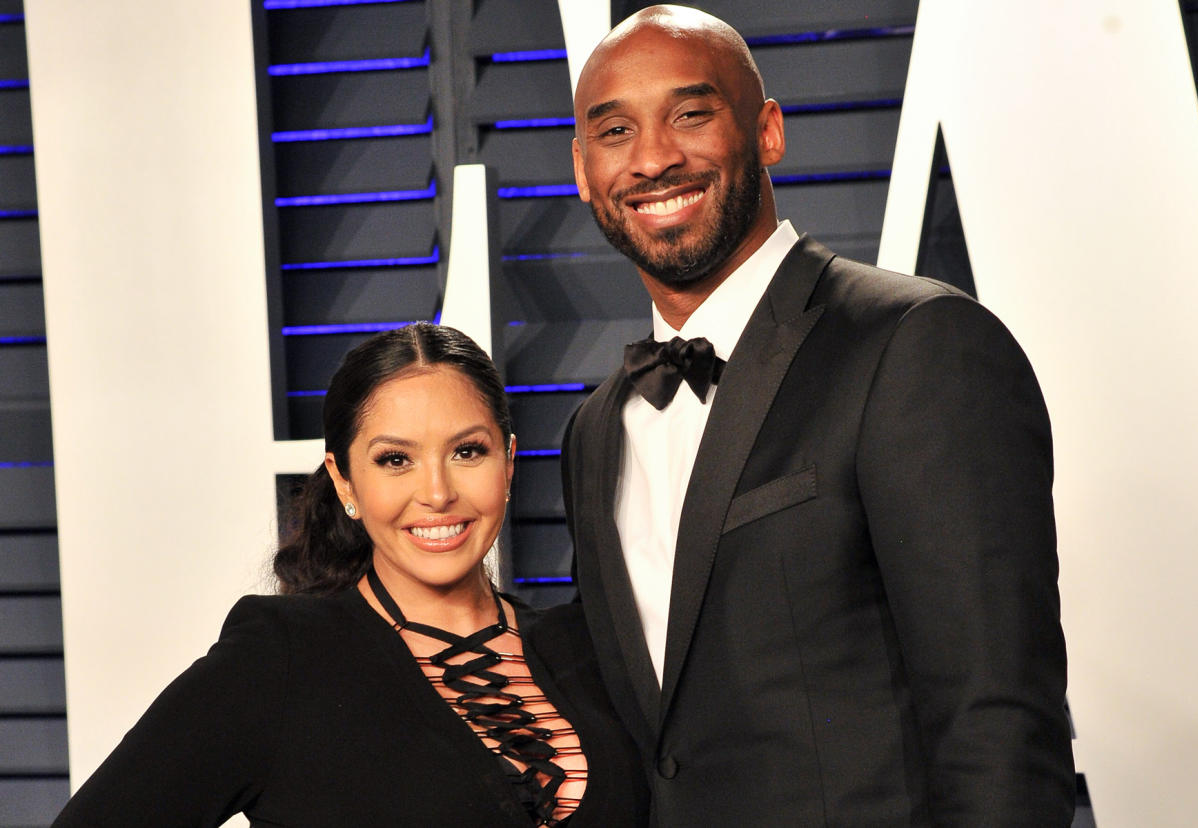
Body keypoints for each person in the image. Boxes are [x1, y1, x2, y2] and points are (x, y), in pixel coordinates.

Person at [560, 5, 1076, 825]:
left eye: (691, 114)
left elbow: (1000, 724)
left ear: (768, 132)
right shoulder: (594, 434)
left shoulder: (914, 344)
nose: (654, 158)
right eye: (615, 131)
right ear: (583, 170)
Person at [53, 323, 647, 827]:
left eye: (467, 451)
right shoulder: (282, 658)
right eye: (396, 460)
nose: (437, 493)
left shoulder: (591, 647)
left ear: (509, 460)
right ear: (343, 481)